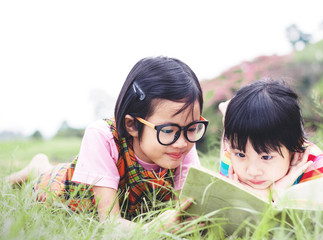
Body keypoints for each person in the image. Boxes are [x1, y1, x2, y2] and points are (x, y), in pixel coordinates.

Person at [6, 56, 208, 231]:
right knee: (45, 179)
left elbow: (187, 213)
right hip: (62, 190)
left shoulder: (182, 144)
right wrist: (151, 230)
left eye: (191, 128)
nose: (182, 142)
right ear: (132, 125)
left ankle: (40, 165)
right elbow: (110, 223)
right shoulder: (103, 136)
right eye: (168, 130)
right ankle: (38, 168)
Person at [218, 79, 323, 201]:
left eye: (266, 157)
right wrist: (272, 193)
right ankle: (227, 113)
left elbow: (304, 214)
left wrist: (269, 194)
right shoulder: (230, 158)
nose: (252, 171)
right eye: (240, 154)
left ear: (295, 149)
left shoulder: (311, 161)